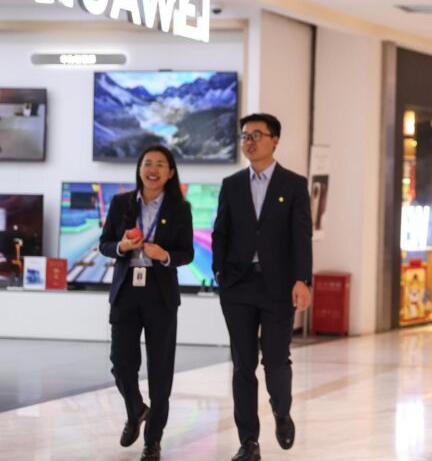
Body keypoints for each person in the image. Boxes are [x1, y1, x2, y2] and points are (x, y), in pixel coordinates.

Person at [213, 113, 313, 461]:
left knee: (275, 360)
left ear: (275, 140)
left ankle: (282, 413)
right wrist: (220, 274)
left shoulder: (294, 185)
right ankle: (248, 441)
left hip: (278, 287)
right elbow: (220, 233)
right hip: (238, 286)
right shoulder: (232, 184)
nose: (249, 141)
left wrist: (303, 279)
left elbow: (301, 237)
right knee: (243, 365)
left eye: (257, 134)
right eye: (244, 136)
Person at [99, 145, 194, 461]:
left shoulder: (181, 209)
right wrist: (122, 247)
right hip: (126, 293)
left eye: (161, 164)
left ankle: (153, 441)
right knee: (121, 364)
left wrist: (163, 255)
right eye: (147, 163)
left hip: (160, 295)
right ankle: (136, 409)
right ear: (140, 169)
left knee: (160, 371)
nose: (153, 169)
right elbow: (104, 245)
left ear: (170, 172)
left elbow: (187, 253)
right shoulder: (120, 203)